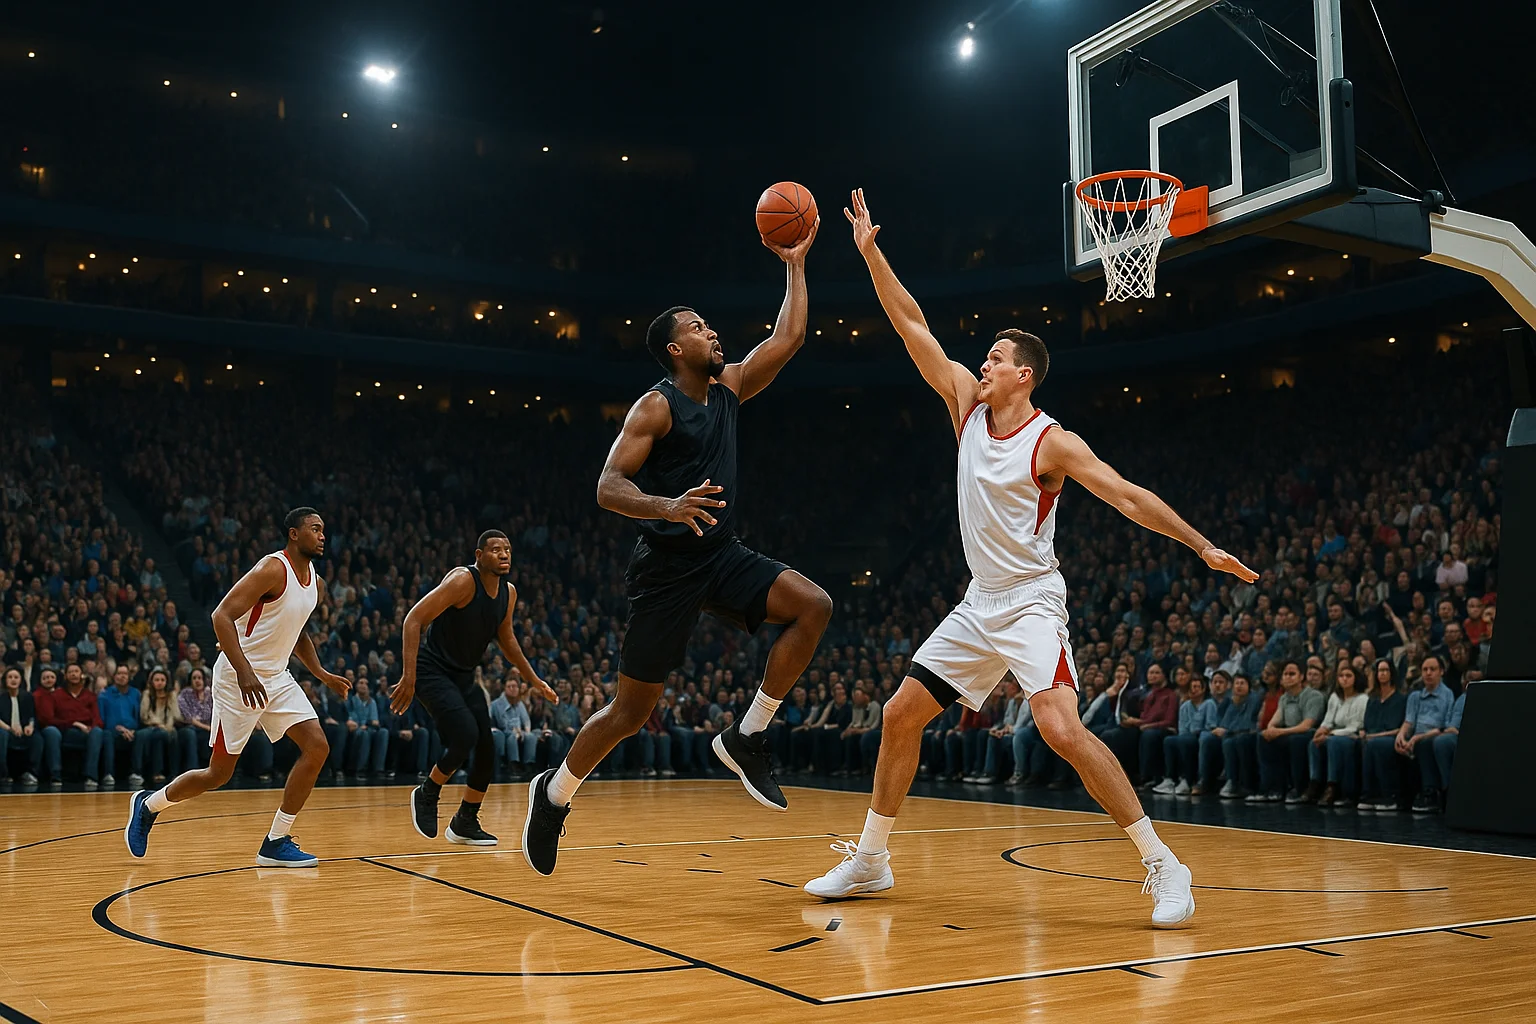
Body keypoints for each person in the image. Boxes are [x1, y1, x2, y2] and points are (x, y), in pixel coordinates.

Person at [802, 190, 1257, 928]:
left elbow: (1128, 496)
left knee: (1061, 729)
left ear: (1024, 376)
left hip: (1031, 601)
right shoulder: (965, 404)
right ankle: (872, 860)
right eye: (984, 356)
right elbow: (911, 323)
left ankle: (1164, 864)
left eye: (996, 358)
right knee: (899, 715)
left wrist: (1201, 544)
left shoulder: (1053, 442)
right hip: (978, 601)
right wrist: (870, 253)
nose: (982, 363)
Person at [522, 218, 832, 876]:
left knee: (814, 605)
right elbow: (607, 486)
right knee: (630, 713)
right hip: (666, 570)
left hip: (721, 555)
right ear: (673, 349)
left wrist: (795, 263)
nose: (712, 333)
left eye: (709, 326)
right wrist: (667, 505)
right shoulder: (655, 408)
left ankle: (748, 734)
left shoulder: (730, 388)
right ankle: (553, 796)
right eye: (697, 328)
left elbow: (789, 337)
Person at [125, 508, 352, 866]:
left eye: (324, 529)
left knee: (317, 747)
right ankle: (148, 805)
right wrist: (244, 671)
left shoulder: (317, 584)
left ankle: (276, 841)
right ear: (293, 534)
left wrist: (322, 674)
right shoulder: (272, 569)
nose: (323, 535)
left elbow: (298, 633)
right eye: (314, 528)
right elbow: (221, 616)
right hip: (237, 677)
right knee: (218, 774)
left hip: (276, 678)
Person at [391, 531, 556, 846]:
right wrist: (409, 677)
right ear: (479, 555)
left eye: (507, 549)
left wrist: (534, 680)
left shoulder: (508, 593)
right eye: (495, 549)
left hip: (465, 675)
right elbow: (413, 620)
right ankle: (428, 792)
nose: (503, 554)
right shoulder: (462, 581)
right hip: (432, 670)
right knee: (465, 734)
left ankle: (465, 820)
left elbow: (507, 640)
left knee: (487, 748)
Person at [1396, 655, 1457, 813]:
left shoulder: (1448, 695)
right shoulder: (1415, 696)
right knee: (1396, 745)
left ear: (1441, 671)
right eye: (1425, 670)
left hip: (1434, 735)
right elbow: (1408, 722)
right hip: (1415, 737)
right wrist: (1401, 736)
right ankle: (1397, 795)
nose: (1428, 673)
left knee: (1425, 744)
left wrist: (1418, 737)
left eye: (1432, 669)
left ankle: (1431, 793)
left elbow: (1444, 727)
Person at [1305, 663, 1368, 806]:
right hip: (1334, 734)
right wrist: (1321, 730)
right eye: (1341, 676)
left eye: (1348, 676)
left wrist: (1331, 734)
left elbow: (1355, 726)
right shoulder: (1334, 697)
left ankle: (1332, 785)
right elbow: (1328, 720)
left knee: (1333, 742)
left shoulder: (1362, 699)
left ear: (1356, 679)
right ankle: (1314, 782)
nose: (1344, 679)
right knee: (1313, 743)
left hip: (1352, 735)